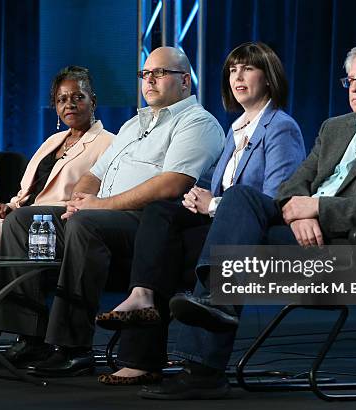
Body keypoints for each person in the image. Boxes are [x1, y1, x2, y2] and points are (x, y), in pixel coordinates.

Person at [139, 44, 356, 400]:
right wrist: (296, 210)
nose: (355, 87)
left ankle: (202, 365)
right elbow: (293, 184)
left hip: (352, 243)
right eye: (351, 79)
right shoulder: (335, 127)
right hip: (301, 226)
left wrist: (316, 208)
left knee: (215, 232)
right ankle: (201, 317)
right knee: (238, 197)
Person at [0, 47, 225, 374]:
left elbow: (172, 185)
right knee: (23, 221)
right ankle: (28, 336)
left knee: (88, 224)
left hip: (152, 225)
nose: (149, 80)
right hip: (103, 214)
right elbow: (93, 175)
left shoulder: (197, 123)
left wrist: (98, 207)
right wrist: (78, 200)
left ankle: (72, 346)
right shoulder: (132, 126)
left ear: (184, 80)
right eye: (144, 74)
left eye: (159, 73)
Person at [93, 42, 305, 385]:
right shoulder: (233, 129)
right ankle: (141, 299)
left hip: (253, 236)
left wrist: (214, 204)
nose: (238, 76)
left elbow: (277, 199)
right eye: (233, 70)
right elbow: (218, 193)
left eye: (248, 69)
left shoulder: (281, 127)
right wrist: (198, 201)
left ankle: (165, 359)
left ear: (269, 78)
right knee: (161, 214)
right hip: (218, 225)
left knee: (164, 249)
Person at [0, 66, 113, 361]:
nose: (69, 104)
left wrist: (20, 212)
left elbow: (96, 193)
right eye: (62, 100)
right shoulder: (52, 142)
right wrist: (8, 205)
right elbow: (28, 191)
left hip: (55, 222)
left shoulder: (108, 143)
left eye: (78, 97)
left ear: (93, 101)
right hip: (22, 215)